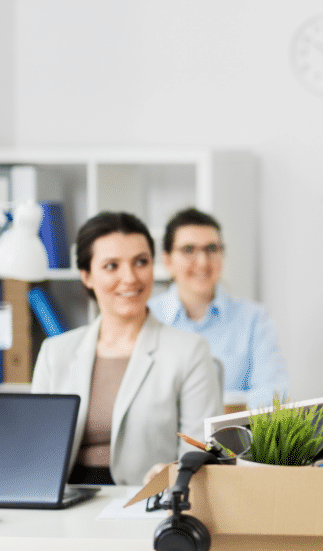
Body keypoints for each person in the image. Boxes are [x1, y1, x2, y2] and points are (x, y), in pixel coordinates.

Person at [32, 211, 223, 486]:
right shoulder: (55, 353)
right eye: (111, 266)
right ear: (87, 276)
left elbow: (200, 454)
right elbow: (37, 450)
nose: (130, 277)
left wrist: (172, 476)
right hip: (64, 501)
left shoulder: (190, 351)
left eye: (141, 262)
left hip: (147, 502)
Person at [149, 207, 289, 410]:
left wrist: (198, 409)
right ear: (168, 260)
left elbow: (275, 392)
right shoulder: (148, 317)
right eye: (189, 250)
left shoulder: (254, 318)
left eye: (212, 249)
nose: (203, 262)